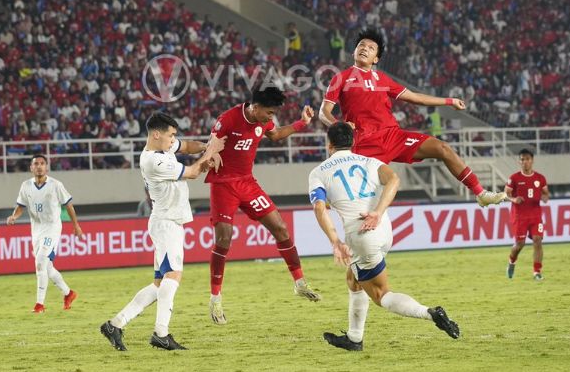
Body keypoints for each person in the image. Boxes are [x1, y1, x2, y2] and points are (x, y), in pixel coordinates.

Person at [309, 123, 459, 351]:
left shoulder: (319, 172)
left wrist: (335, 241)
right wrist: (378, 212)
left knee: (381, 294)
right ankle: (354, 338)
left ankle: (430, 313)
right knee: (354, 278)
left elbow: (320, 208)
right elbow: (394, 179)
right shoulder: (369, 161)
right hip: (384, 229)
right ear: (352, 142)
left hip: (361, 237)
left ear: (329, 144)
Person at [319, 29, 506, 207]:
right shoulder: (341, 78)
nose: (364, 48)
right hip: (364, 143)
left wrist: (449, 101)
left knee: (443, 148)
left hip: (394, 137)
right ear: (353, 52)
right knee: (360, 201)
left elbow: (416, 98)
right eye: (361, 45)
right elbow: (324, 112)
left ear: (376, 58)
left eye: (370, 47)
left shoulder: (383, 79)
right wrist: (340, 126)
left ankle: (481, 194)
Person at [101, 112, 224, 351]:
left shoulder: (163, 149)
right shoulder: (153, 160)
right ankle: (161, 333)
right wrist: (211, 152)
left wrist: (208, 145)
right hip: (166, 222)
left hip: (167, 221)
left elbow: (187, 146)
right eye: (170, 135)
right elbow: (191, 172)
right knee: (173, 276)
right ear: (156, 134)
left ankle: (115, 324)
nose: (173, 140)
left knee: (159, 284)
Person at [206, 86, 321, 325]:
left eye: (273, 113)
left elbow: (276, 135)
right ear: (254, 107)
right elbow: (211, 146)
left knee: (281, 228)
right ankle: (215, 298)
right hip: (223, 184)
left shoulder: (264, 120)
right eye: (268, 113)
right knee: (224, 239)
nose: (271, 117)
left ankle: (299, 283)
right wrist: (210, 155)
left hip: (247, 183)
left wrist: (302, 122)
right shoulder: (227, 120)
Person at [6, 154, 83, 313]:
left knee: (40, 261)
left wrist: (76, 225)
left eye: (42, 163)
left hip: (52, 228)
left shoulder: (55, 185)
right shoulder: (26, 186)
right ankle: (68, 293)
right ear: (31, 168)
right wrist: (14, 216)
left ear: (46, 167)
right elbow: (21, 206)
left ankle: (39, 304)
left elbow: (69, 205)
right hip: (36, 230)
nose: (39, 166)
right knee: (47, 268)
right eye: (36, 164)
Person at [505, 148, 549, 280]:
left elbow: (545, 192)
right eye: (522, 159)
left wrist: (544, 198)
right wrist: (514, 199)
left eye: (527, 159)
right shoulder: (514, 178)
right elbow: (506, 194)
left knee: (537, 240)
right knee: (520, 244)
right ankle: (512, 261)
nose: (525, 162)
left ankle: (537, 272)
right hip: (519, 216)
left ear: (532, 160)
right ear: (519, 162)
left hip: (535, 215)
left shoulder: (540, 178)